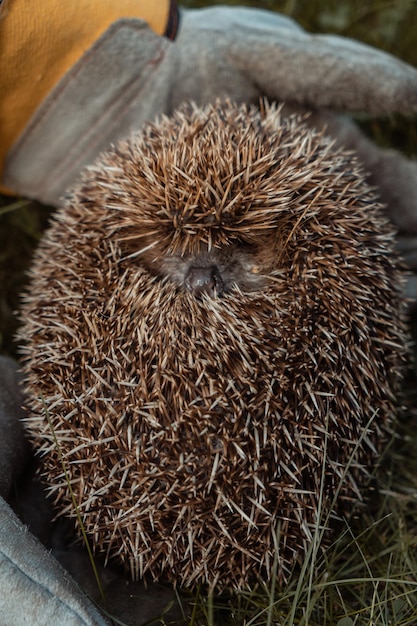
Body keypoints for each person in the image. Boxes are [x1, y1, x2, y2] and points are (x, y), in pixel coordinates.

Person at [1, 1, 417, 624]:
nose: (201, 277)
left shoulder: (320, 254)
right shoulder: (106, 240)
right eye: (181, 249)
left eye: (236, 248)